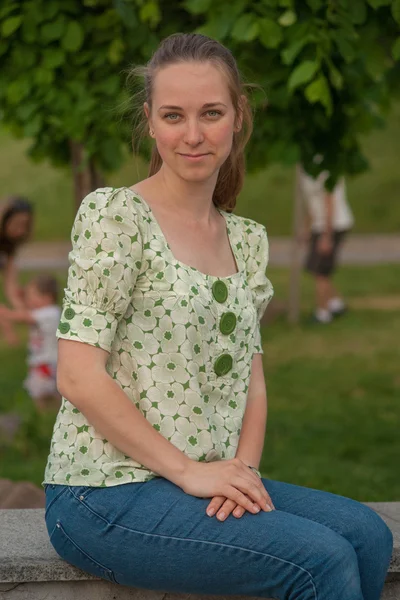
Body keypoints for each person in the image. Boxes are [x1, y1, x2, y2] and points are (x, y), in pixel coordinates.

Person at [43, 34, 392, 600]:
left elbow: (252, 382)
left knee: (368, 536)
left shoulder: (246, 240)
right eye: (173, 115)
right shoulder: (116, 217)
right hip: (101, 492)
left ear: (237, 117)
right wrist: (187, 471)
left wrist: (242, 474)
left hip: (200, 479)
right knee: (319, 561)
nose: (194, 134)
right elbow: (78, 376)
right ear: (151, 124)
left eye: (211, 113)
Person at [299, 164, 354, 324]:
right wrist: (307, 228)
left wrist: (327, 236)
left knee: (321, 270)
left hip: (334, 224)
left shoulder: (325, 168)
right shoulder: (305, 171)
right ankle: (336, 304)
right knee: (315, 267)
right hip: (319, 225)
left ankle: (322, 313)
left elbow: (330, 201)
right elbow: (312, 203)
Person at [0, 274, 61, 411]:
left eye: (32, 295)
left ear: (47, 297)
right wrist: (20, 296)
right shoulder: (42, 311)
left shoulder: (51, 312)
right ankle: (49, 418)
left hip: (47, 362)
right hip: (41, 362)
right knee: (42, 394)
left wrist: (6, 313)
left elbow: (24, 317)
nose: (28, 299)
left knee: (45, 395)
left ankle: (49, 418)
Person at [0, 196, 34, 344]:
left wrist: (22, 310)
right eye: (16, 224)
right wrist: (7, 326)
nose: (20, 230)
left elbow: (10, 283)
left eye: (25, 225)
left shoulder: (9, 245)